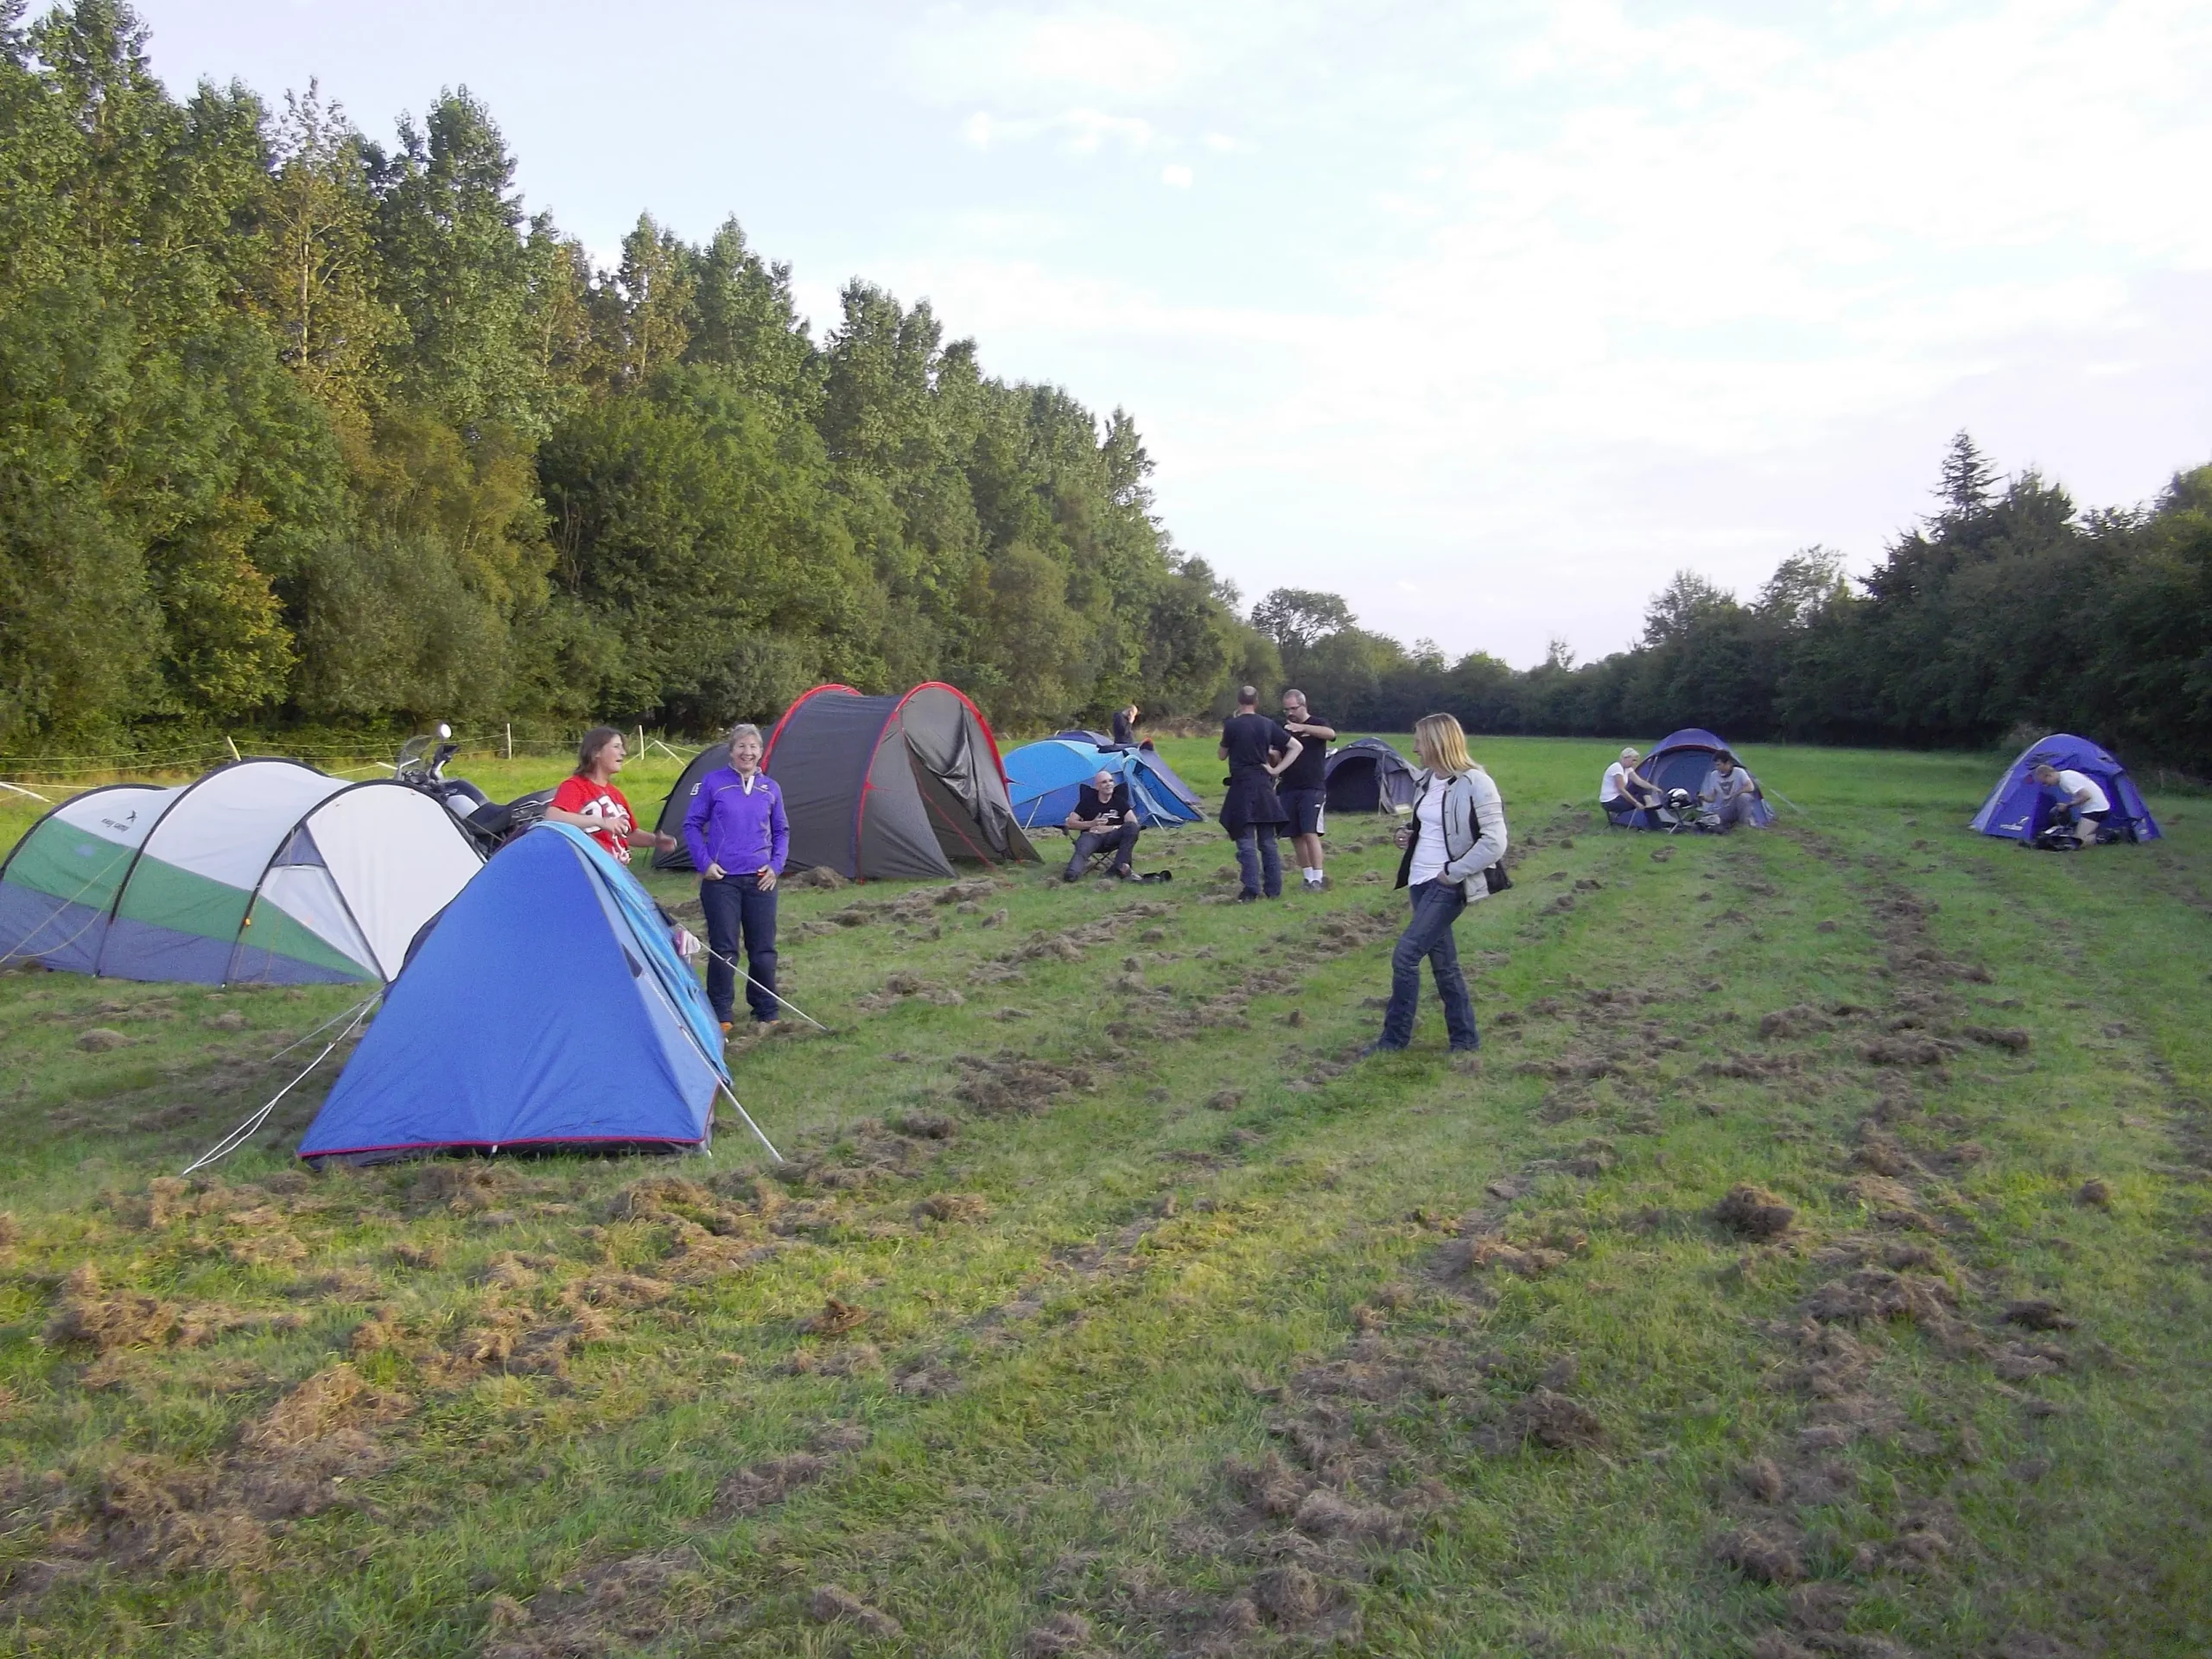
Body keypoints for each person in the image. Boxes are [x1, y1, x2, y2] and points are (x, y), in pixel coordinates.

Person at [1364, 713, 1506, 1056]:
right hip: (1419, 881)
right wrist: (1408, 835)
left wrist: (1452, 873)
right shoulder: (1428, 779)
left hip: (1446, 884)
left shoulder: (1477, 782)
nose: (1413, 747)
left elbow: (1495, 842)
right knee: (1445, 965)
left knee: (1405, 956)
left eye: (1418, 741)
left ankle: (1393, 1041)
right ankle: (1465, 1039)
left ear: (1437, 743)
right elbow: (1433, 826)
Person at [682, 722, 789, 1033]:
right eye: (742, 746)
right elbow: (691, 825)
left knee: (763, 949)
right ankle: (721, 1013)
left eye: (754, 746)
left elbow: (782, 831)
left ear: (761, 752)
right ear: (731, 750)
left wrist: (776, 866)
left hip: (760, 881)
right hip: (722, 881)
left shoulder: (771, 788)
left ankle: (766, 1008)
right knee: (724, 948)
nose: (748, 752)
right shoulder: (714, 783)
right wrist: (704, 864)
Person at [546, 727, 677, 865]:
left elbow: (629, 834)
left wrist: (655, 840)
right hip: (592, 871)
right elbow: (553, 816)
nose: (623, 753)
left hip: (617, 871)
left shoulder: (615, 794)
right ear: (596, 752)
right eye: (616, 747)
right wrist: (600, 821)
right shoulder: (575, 786)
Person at [1217, 685, 1300, 901]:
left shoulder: (1232, 725)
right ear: (1257, 702)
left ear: (1239, 701)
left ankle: (1251, 890)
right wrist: (1276, 769)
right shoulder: (1267, 724)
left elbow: (1221, 755)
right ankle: (1274, 890)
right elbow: (1296, 746)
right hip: (1264, 785)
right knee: (1268, 842)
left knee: (1246, 842)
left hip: (1242, 786)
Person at [1276, 689, 1337, 890]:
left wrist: (1303, 728)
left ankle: (1319, 879)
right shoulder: (1284, 730)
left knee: (1310, 832)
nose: (1289, 713)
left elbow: (1331, 734)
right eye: (1286, 709)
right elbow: (1278, 755)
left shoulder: (1318, 723)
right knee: (1295, 835)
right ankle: (1308, 877)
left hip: (1313, 787)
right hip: (1288, 787)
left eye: (1293, 708)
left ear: (1303, 705)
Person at [1062, 768, 1142, 881]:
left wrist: (1110, 828)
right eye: (1104, 782)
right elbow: (1070, 823)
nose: (1109, 784)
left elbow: (1133, 823)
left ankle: (1117, 867)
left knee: (1133, 828)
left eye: (1111, 781)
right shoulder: (1087, 802)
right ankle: (1071, 874)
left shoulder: (1119, 801)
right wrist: (1091, 824)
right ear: (1097, 787)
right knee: (1083, 847)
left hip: (1113, 837)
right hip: (1092, 836)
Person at [2032, 762, 2110, 845]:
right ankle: (2100, 835)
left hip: (2096, 808)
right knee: (2076, 837)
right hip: (2095, 807)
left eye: (2045, 782)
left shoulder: (2067, 779)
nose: (2047, 785)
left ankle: (2107, 835)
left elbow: (2086, 796)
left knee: (2079, 841)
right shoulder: (2066, 775)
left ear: (2049, 775)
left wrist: (2067, 806)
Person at [1699, 751, 1764, 832]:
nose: (1717, 767)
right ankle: (1729, 825)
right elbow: (1712, 798)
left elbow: (1750, 787)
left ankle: (1743, 825)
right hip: (1724, 808)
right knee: (1717, 820)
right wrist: (1704, 798)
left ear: (1728, 763)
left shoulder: (1739, 772)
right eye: (1716, 765)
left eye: (1719, 765)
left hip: (1737, 805)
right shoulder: (1714, 775)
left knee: (1744, 797)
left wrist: (1735, 795)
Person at [1600, 747, 1659, 823]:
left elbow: (1640, 781)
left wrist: (1654, 788)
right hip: (1610, 801)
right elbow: (1621, 790)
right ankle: (1656, 826)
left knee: (1640, 787)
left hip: (1618, 798)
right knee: (1642, 800)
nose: (1634, 763)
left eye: (1636, 761)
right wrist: (1636, 803)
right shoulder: (1616, 767)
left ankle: (1650, 803)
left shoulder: (1628, 769)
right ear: (1625, 758)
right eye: (1633, 760)